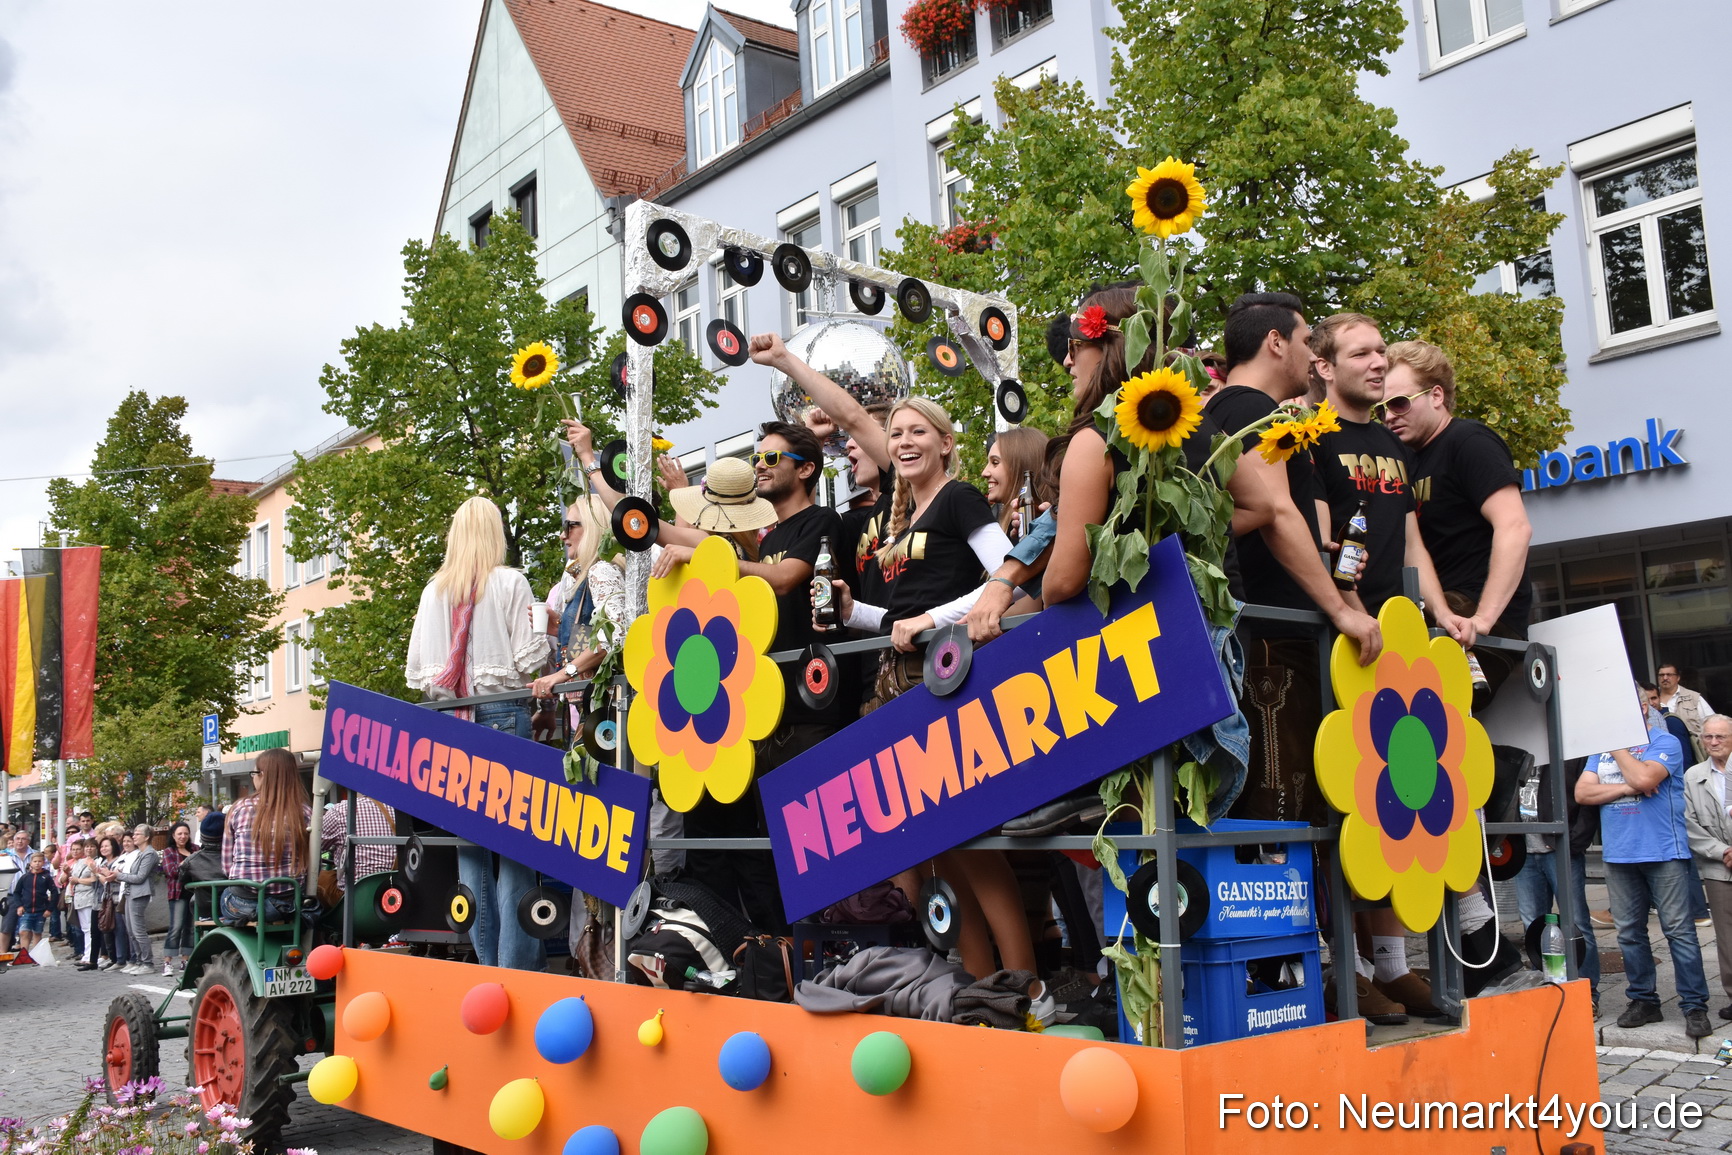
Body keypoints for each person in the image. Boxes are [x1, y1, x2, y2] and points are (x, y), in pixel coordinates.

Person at [1309, 312, 1471, 1019]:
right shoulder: (1310, 436)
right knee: (1337, 811)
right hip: (1337, 638)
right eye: (1361, 353)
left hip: (1392, 639)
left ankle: (1394, 966)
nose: (1379, 362)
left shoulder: (1390, 443)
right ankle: (1343, 969)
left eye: (1381, 351)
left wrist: (1441, 614)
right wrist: (1349, 608)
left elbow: (1410, 543)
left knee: (1391, 806)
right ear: (1323, 366)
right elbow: (1325, 538)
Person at [652, 420, 846, 933]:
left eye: (771, 458)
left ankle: (814, 953)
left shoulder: (821, 520)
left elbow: (785, 579)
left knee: (810, 849)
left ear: (806, 470)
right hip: (762, 709)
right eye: (757, 457)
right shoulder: (768, 537)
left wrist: (710, 558)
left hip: (810, 707)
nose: (759, 465)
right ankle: (774, 954)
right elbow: (664, 532)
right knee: (768, 851)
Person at [1201, 293, 1383, 830]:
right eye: (1306, 341)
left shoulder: (1236, 410)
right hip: (1274, 638)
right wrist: (1342, 611)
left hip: (1271, 631)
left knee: (1294, 801)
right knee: (1284, 805)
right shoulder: (1248, 409)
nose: (1313, 355)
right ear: (1275, 342)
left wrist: (1320, 549)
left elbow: (1271, 514)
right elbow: (1276, 513)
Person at [406, 497, 547, 972]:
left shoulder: (433, 592)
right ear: (495, 534)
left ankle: (489, 964)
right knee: (517, 848)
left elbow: (423, 674)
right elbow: (530, 659)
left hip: (450, 722)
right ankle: (518, 968)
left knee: (471, 851)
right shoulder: (510, 582)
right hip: (503, 713)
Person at [1381, 339, 1533, 692]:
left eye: (1399, 403)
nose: (1388, 416)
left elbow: (1514, 527)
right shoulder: (1402, 460)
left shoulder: (1469, 441)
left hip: (1473, 615)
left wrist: (1483, 619)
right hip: (1435, 611)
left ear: (1436, 395)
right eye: (1381, 409)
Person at [1579, 683, 1711, 1038]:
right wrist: (1626, 788)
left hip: (1664, 851)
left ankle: (1694, 1005)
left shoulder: (1664, 742)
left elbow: (1644, 776)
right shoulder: (1598, 752)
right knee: (1629, 934)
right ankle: (1644, 1001)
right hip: (1618, 854)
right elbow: (1583, 792)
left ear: (1641, 710)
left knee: (1679, 931)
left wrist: (1618, 751)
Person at [221, 749, 314, 926]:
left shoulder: (240, 808)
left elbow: (227, 867)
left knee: (223, 895)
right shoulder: (305, 813)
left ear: (263, 775)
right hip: (289, 902)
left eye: (254, 773)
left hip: (244, 903)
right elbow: (312, 864)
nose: (253, 778)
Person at [1684, 715, 1732, 1020]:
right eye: (1708, 737)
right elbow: (1690, 825)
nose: (1713, 742)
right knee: (1726, 937)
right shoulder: (1693, 775)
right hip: (1719, 866)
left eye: (1721, 737)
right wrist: (1723, 851)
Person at [979, 427, 1050, 544]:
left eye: (995, 462)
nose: (984, 473)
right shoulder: (1005, 521)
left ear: (1022, 467)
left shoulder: (1044, 526)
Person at [319, 795, 397, 891]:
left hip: (354, 893)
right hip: (395, 889)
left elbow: (314, 846)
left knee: (320, 879)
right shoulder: (401, 810)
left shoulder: (340, 811)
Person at [112, 823, 160, 975]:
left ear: (146, 837)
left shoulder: (149, 854)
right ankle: (139, 961)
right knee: (131, 931)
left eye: (138, 834)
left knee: (138, 930)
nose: (134, 836)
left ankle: (147, 962)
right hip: (130, 893)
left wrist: (119, 875)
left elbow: (140, 877)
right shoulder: (141, 853)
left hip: (139, 894)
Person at [1658, 663, 1715, 760]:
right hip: (1661, 754)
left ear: (1678, 677)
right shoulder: (1651, 699)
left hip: (1692, 753)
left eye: (1669, 674)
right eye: (1661, 675)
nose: (1665, 678)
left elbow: (1713, 724)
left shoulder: (1694, 698)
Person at [182, 811, 227, 924]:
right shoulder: (237, 857)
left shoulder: (191, 861)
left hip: (205, 912)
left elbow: (183, 881)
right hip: (233, 909)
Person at [161, 821, 194, 974]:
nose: (183, 836)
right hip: (177, 893)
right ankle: (167, 962)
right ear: (173, 836)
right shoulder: (169, 851)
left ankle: (185, 960)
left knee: (191, 928)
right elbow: (171, 872)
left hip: (194, 893)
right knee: (176, 927)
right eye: (179, 834)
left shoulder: (195, 849)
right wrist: (187, 862)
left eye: (186, 833)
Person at [11, 852, 58, 958]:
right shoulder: (25, 877)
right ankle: (24, 955)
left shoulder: (46, 877)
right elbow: (17, 892)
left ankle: (35, 956)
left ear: (43, 862)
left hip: (41, 910)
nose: (37, 863)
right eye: (35, 861)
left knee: (37, 932)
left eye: (39, 861)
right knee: (23, 932)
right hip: (26, 910)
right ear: (31, 863)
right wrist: (19, 906)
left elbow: (54, 893)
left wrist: (49, 909)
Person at [91, 834, 126, 969]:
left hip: (116, 899)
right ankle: (113, 958)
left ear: (114, 847)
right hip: (105, 900)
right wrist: (98, 873)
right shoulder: (103, 863)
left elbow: (110, 879)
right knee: (107, 929)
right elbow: (102, 881)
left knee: (118, 929)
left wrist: (100, 874)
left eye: (107, 846)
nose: (104, 848)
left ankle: (121, 959)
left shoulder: (119, 861)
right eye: (102, 846)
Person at [67, 839, 103, 970]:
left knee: (90, 928)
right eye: (87, 846)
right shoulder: (80, 861)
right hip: (78, 897)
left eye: (92, 846)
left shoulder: (97, 861)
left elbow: (94, 880)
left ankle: (91, 956)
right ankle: (87, 955)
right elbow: (71, 877)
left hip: (90, 896)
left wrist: (78, 880)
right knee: (84, 928)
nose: (89, 849)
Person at [0, 828, 33, 956]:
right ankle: (2, 953)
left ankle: (25, 955)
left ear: (28, 841)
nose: (20, 841)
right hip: (11, 895)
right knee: (6, 926)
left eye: (23, 839)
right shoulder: (4, 855)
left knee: (27, 927)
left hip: (30, 895)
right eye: (17, 839)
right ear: (13, 841)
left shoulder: (35, 855)